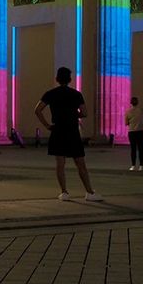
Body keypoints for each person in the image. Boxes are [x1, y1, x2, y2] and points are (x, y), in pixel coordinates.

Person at [35, 67, 103, 201]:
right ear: (70, 79)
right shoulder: (76, 94)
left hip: (58, 130)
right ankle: (89, 192)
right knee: (80, 163)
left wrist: (47, 125)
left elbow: (37, 110)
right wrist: (73, 114)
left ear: (57, 79)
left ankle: (64, 192)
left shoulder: (50, 94)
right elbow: (84, 113)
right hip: (72, 130)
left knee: (60, 163)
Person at [125, 96, 143, 170]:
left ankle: (133, 165)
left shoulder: (128, 111)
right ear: (137, 102)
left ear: (130, 103)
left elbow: (126, 122)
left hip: (132, 132)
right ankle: (141, 166)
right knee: (141, 149)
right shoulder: (141, 111)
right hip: (140, 131)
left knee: (133, 149)